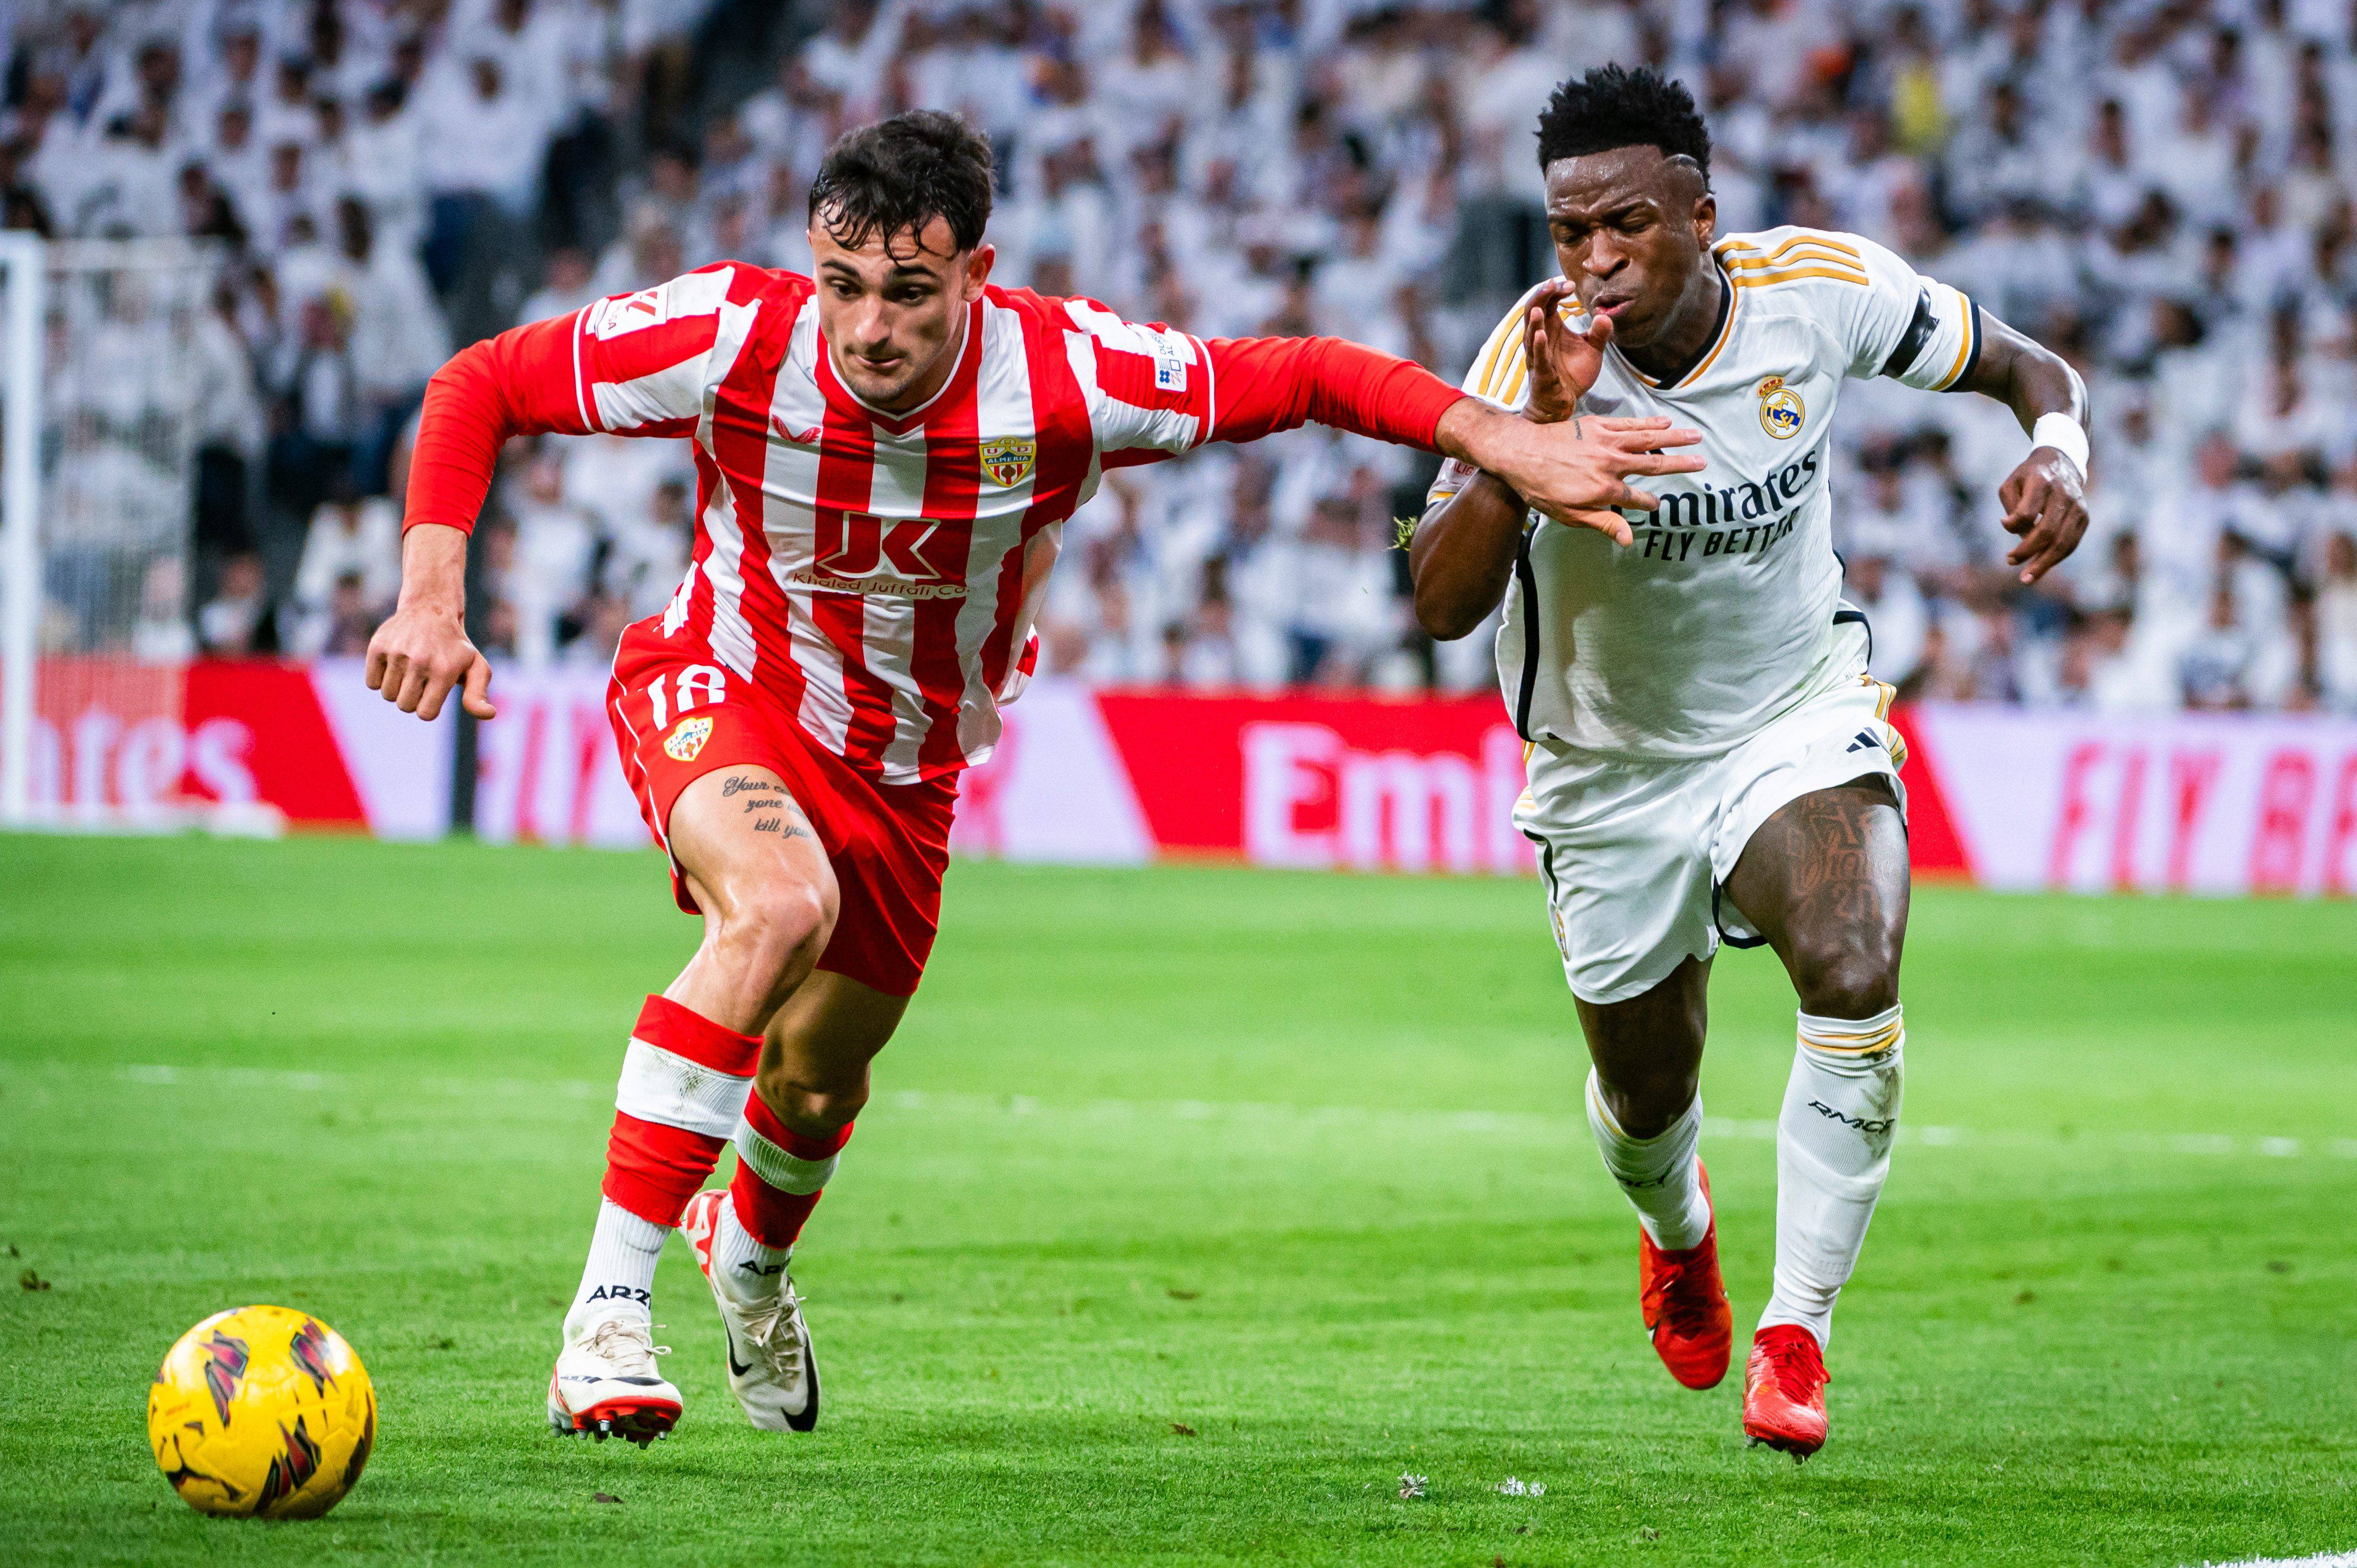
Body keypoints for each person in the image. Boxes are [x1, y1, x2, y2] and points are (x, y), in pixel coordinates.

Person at [365, 109, 1702, 1445]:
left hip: (910, 770)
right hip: (727, 685)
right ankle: (605, 1317)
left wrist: (1499, 438)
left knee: (819, 1087)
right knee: (773, 910)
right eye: (841, 286)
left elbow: (1303, 375)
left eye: (906, 293)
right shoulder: (731, 333)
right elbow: (481, 383)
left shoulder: (1066, 377)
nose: (866, 328)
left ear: (976, 275)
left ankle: (752, 1258)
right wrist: (432, 594)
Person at [1408, 68, 2090, 1461]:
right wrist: (1530, 442)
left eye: (1624, 226)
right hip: (1602, 771)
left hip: (1792, 714)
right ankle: (1679, 1234)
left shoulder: (1817, 291)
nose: (1592, 263)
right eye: (1567, 233)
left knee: (1853, 957)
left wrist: (2059, 447)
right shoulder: (1526, 359)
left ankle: (1796, 1337)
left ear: (1700, 213)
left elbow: (2030, 367)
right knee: (1648, 1096)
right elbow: (1435, 603)